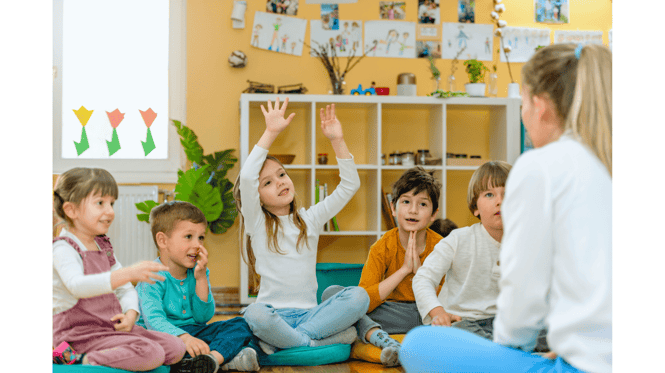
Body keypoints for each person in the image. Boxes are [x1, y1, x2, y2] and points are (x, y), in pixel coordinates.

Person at [401, 43, 612, 373]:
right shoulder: (610, 162)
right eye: (488, 196)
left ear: (539, 106)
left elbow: (523, 304)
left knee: (416, 344)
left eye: (523, 105)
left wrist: (509, 354)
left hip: (579, 364)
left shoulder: (540, 166)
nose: (524, 117)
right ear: (474, 207)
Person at [234, 98, 369, 355]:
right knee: (254, 314)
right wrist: (271, 132)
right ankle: (312, 342)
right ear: (257, 197)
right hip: (273, 314)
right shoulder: (257, 222)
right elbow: (248, 176)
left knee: (359, 297)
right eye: (268, 183)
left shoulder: (311, 219)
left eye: (282, 175)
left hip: (311, 314)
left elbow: (350, 185)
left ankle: (288, 341)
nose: (280, 183)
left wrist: (337, 140)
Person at [53, 167, 187, 371]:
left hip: (109, 328)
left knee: (175, 346)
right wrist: (128, 273)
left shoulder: (102, 246)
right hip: (78, 336)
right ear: (72, 210)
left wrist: (131, 313)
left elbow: (125, 288)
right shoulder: (63, 248)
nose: (110, 211)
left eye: (111, 203)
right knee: (152, 353)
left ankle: (118, 353)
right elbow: (77, 286)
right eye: (100, 203)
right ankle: (80, 359)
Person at [325, 167, 444, 366]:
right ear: (393, 208)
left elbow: (451, 298)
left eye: (422, 204)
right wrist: (404, 270)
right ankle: (380, 338)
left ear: (433, 214)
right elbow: (361, 300)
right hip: (389, 314)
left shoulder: (442, 247)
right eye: (406, 202)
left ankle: (369, 336)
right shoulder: (382, 246)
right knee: (333, 294)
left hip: (427, 315)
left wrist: (420, 275)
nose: (413, 210)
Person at [136, 201, 259, 373]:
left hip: (194, 332)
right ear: (163, 241)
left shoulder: (198, 271)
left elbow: (203, 317)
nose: (197, 244)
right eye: (188, 237)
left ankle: (211, 359)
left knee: (241, 324)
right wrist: (185, 338)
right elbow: (154, 321)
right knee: (154, 349)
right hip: (161, 336)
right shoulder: (151, 277)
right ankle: (223, 358)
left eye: (201, 237)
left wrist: (201, 279)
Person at [411, 161, 516, 339]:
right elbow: (423, 279)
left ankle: (500, 349)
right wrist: (438, 312)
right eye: (489, 194)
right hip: (463, 321)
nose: (499, 201)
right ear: (475, 207)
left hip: (506, 323)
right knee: (458, 331)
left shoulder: (528, 243)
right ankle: (504, 350)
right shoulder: (458, 239)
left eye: (507, 195)